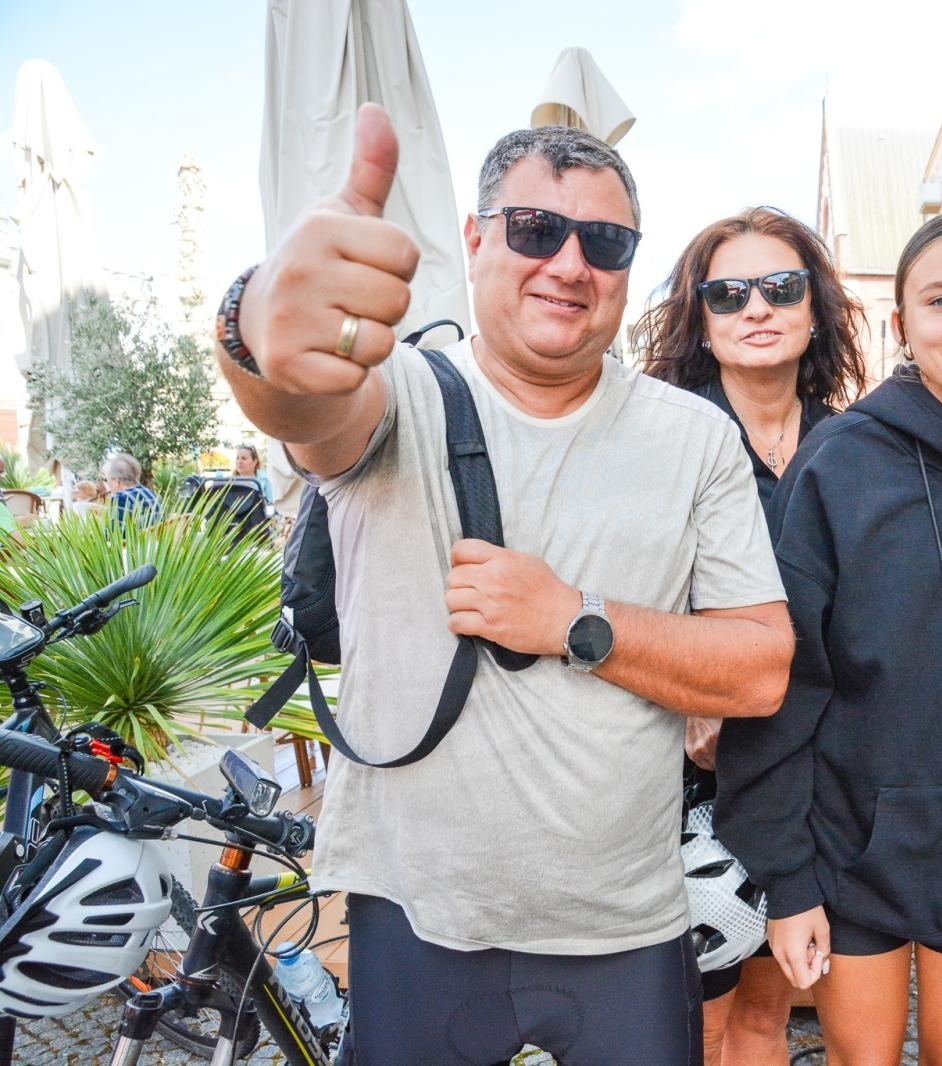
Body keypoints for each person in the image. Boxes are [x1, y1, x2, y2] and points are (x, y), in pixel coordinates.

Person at [212, 104, 793, 1066]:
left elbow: (760, 669)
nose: (569, 263)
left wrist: (574, 619)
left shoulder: (694, 437)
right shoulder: (395, 389)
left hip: (628, 924)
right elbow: (303, 398)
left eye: (604, 242)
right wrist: (256, 323)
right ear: (477, 239)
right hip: (420, 912)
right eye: (536, 230)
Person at [716, 210, 942, 1065]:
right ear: (902, 325)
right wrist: (790, 879)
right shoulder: (841, 462)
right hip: (853, 849)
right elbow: (786, 679)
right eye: (940, 299)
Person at [636, 205, 867, 1066]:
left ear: (815, 308)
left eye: (780, 287)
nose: (757, 308)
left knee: (769, 1013)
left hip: (812, 776)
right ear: (701, 318)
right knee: (688, 1030)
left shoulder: (855, 445)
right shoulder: (661, 439)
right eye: (728, 294)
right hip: (687, 781)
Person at [100, 452, 161, 526]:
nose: (107, 484)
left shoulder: (120, 499)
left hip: (136, 537)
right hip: (157, 536)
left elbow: (111, 534)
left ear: (116, 482)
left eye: (107, 480)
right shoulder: (150, 493)